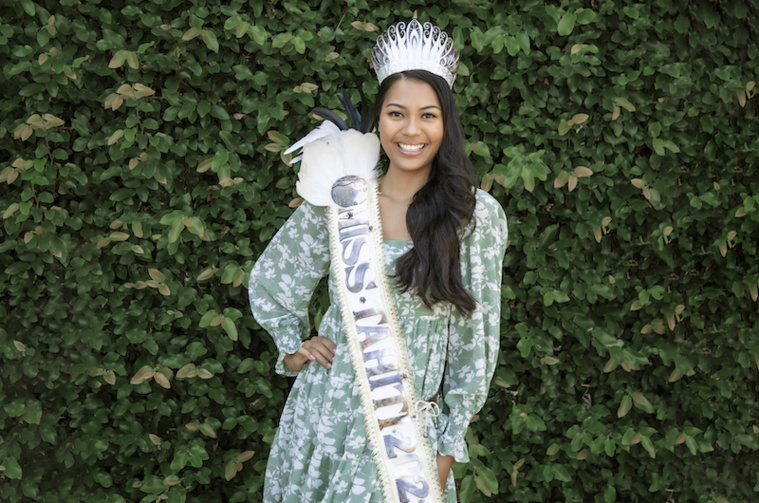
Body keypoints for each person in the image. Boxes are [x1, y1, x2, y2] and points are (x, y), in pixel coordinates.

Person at [249, 19, 508, 503]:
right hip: (324, 422)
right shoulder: (340, 200)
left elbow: (477, 343)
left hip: (404, 438)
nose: (411, 130)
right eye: (396, 113)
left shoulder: (473, 218)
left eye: (427, 115)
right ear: (378, 119)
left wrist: (445, 452)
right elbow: (274, 277)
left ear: (445, 123)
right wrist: (293, 347)